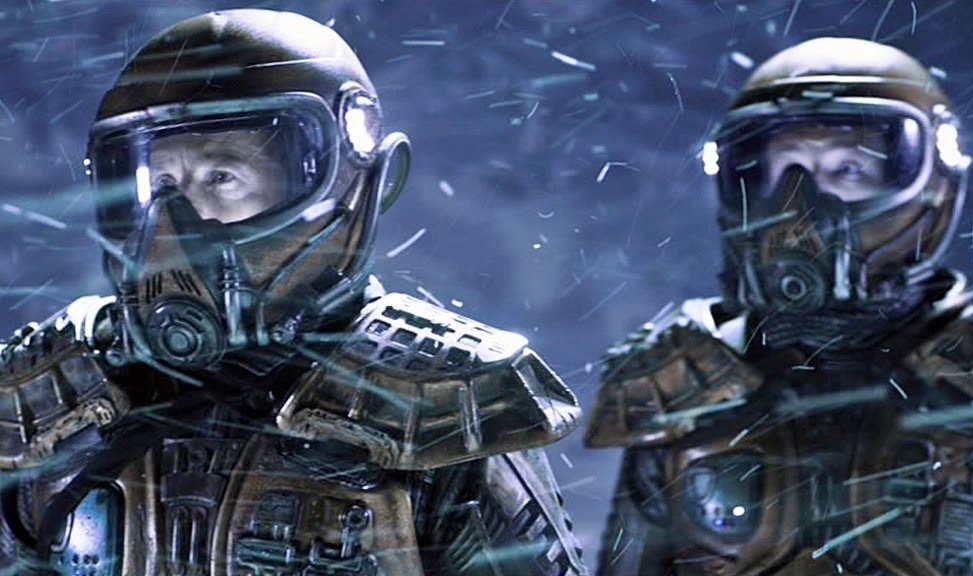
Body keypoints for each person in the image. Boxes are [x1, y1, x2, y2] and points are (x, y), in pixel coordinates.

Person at [0, 10, 587, 576]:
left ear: (354, 183)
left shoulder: (442, 407)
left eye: (223, 177)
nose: (176, 226)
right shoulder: (53, 395)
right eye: (161, 184)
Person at [585, 37, 973, 575]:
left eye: (848, 170)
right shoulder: (689, 380)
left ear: (934, 183)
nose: (801, 207)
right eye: (786, 168)